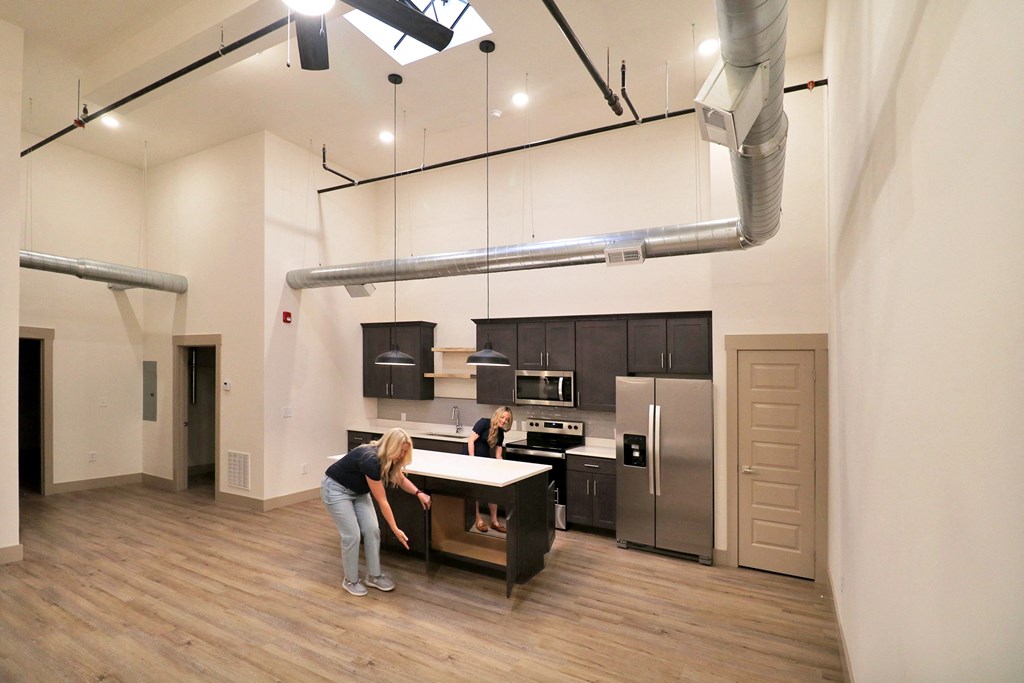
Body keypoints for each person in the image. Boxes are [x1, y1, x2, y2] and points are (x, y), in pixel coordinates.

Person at [321, 427, 431, 597]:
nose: (402, 455)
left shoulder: (389, 458)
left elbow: (400, 478)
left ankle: (374, 576)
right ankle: (350, 580)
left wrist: (418, 493)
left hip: (358, 492)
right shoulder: (370, 459)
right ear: (391, 446)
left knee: (372, 530)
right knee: (352, 535)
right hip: (336, 489)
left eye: (405, 451)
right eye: (400, 451)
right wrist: (395, 529)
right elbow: (382, 500)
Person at [466, 406, 513, 533]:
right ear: (497, 415)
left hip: (485, 462)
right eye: (502, 417)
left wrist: (505, 467)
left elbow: (498, 455)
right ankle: (477, 519)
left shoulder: (500, 433)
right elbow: (471, 441)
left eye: (507, 419)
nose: (504, 421)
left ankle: (494, 521)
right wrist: (472, 460)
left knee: (492, 490)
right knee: (474, 490)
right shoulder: (483, 423)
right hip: (470, 459)